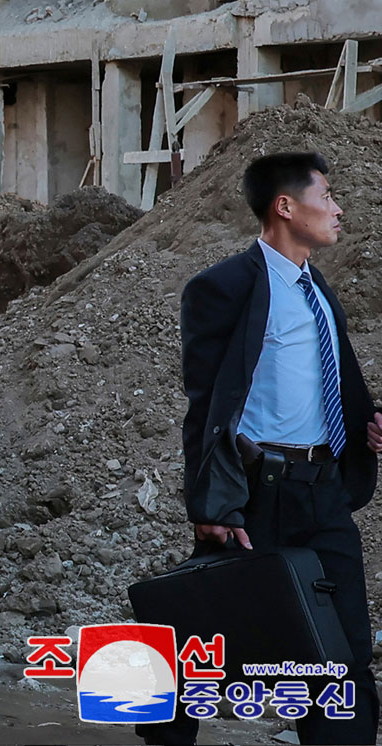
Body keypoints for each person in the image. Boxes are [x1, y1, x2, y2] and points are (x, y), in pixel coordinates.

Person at [141, 151, 382, 746]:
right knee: (220, 627)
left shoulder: (317, 287)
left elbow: (329, 376)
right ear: (285, 206)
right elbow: (208, 406)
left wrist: (366, 422)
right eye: (326, 196)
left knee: (343, 643)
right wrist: (210, 506)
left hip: (324, 489)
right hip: (258, 492)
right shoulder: (223, 288)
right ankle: (157, 720)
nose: (338, 208)